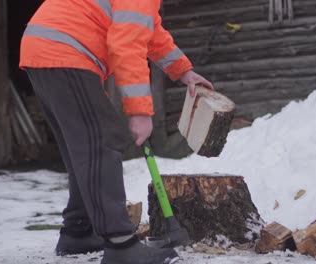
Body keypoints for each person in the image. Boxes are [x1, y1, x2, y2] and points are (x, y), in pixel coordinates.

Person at [20, 0, 213, 263]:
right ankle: (122, 246)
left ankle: (79, 231)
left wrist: (183, 71)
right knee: (102, 142)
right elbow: (128, 46)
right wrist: (139, 112)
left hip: (45, 47)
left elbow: (149, 31)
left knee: (83, 146)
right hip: (66, 50)